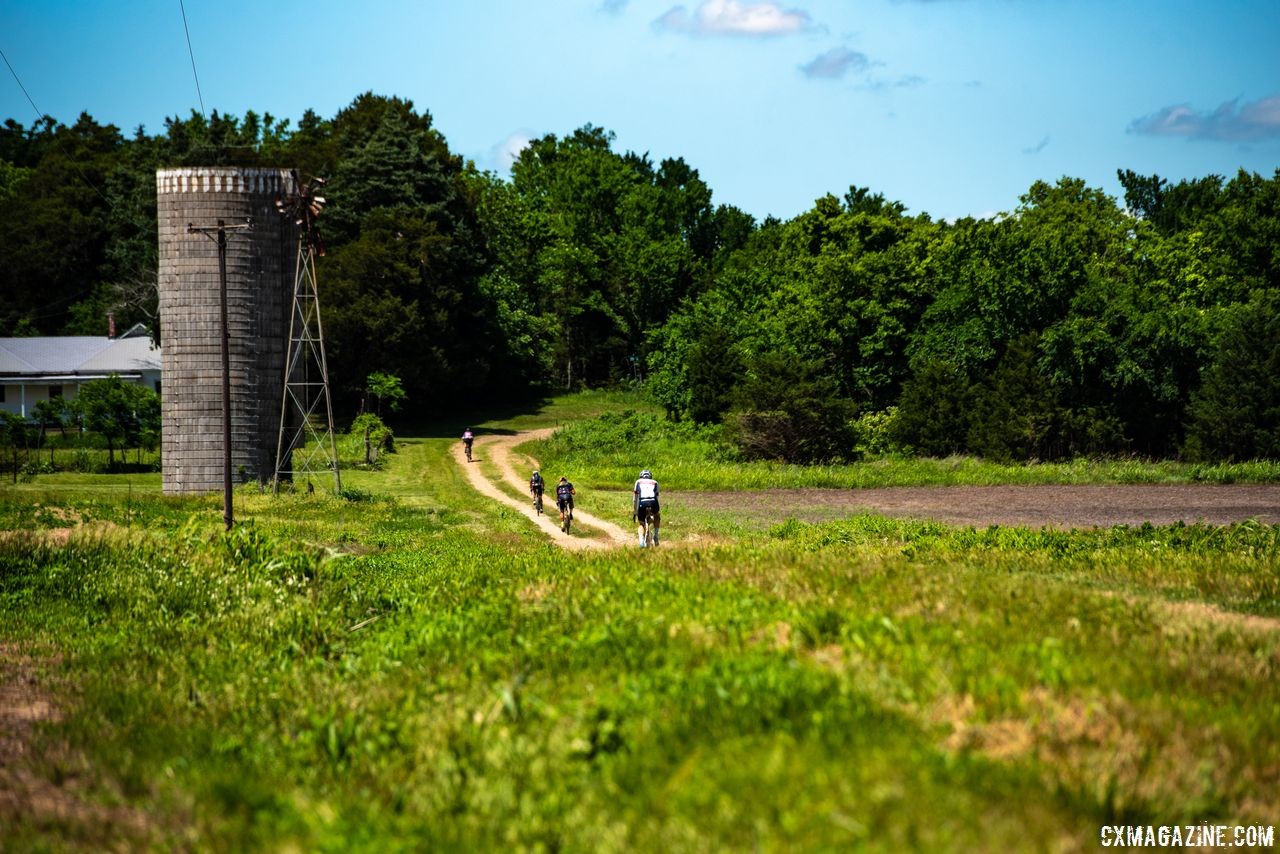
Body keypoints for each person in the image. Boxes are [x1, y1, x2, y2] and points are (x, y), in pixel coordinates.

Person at [633, 468, 660, 546]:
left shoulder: (638, 482)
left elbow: (635, 498)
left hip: (642, 502)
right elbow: (657, 497)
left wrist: (635, 511)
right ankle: (656, 536)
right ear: (650, 476)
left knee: (641, 524)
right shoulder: (655, 482)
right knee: (657, 515)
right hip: (653, 502)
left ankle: (641, 542)